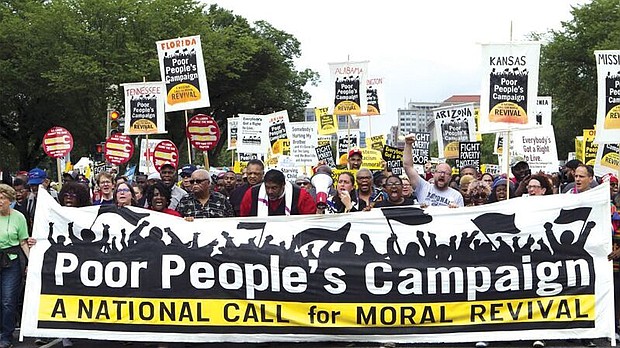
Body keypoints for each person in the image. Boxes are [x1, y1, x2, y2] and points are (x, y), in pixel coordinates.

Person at [0, 184, 36, 348]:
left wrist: (31, 262)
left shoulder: (19, 217)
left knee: (8, 300)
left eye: (2, 198)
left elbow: (23, 242)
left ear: (10, 199)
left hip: (12, 260)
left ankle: (6, 335)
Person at [403, 134, 463, 207]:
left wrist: (456, 210)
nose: (442, 175)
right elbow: (408, 167)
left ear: (450, 177)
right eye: (440, 172)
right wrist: (408, 144)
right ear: (434, 174)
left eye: (446, 173)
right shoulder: (423, 187)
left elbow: (461, 217)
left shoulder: (457, 196)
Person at [240, 169, 316, 216]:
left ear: (283, 185)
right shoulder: (251, 194)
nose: (270, 191)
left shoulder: (301, 196)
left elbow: (309, 221)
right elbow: (244, 217)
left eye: (274, 188)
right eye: (267, 187)